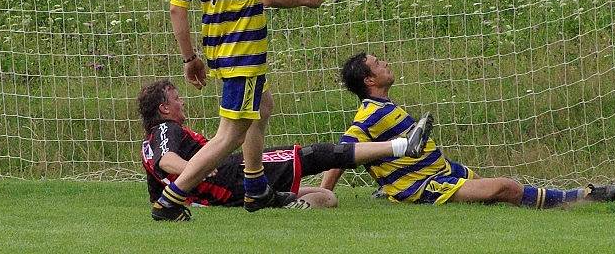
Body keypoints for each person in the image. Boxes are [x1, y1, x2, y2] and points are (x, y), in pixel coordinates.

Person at [154, 0, 324, 221]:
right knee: (229, 135)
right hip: (243, 51)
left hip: (219, 52)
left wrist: (190, 59)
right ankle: (172, 198)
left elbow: (176, 9)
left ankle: (255, 185)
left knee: (261, 105)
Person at [320, 53, 615, 208]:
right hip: (426, 186)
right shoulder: (369, 114)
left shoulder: (384, 106)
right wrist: (324, 196)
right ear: (369, 81)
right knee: (504, 187)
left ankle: (386, 192)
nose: (384, 62)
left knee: (497, 195)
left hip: (445, 171)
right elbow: (343, 154)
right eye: (377, 63)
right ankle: (581, 197)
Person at [138, 80, 433, 214]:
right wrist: (203, 171)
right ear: (164, 108)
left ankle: (282, 209)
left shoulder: (148, 143)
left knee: (326, 196)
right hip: (234, 174)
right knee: (315, 155)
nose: (182, 102)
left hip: (229, 193)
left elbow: (159, 185)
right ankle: (402, 146)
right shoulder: (165, 129)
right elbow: (168, 162)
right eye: (176, 98)